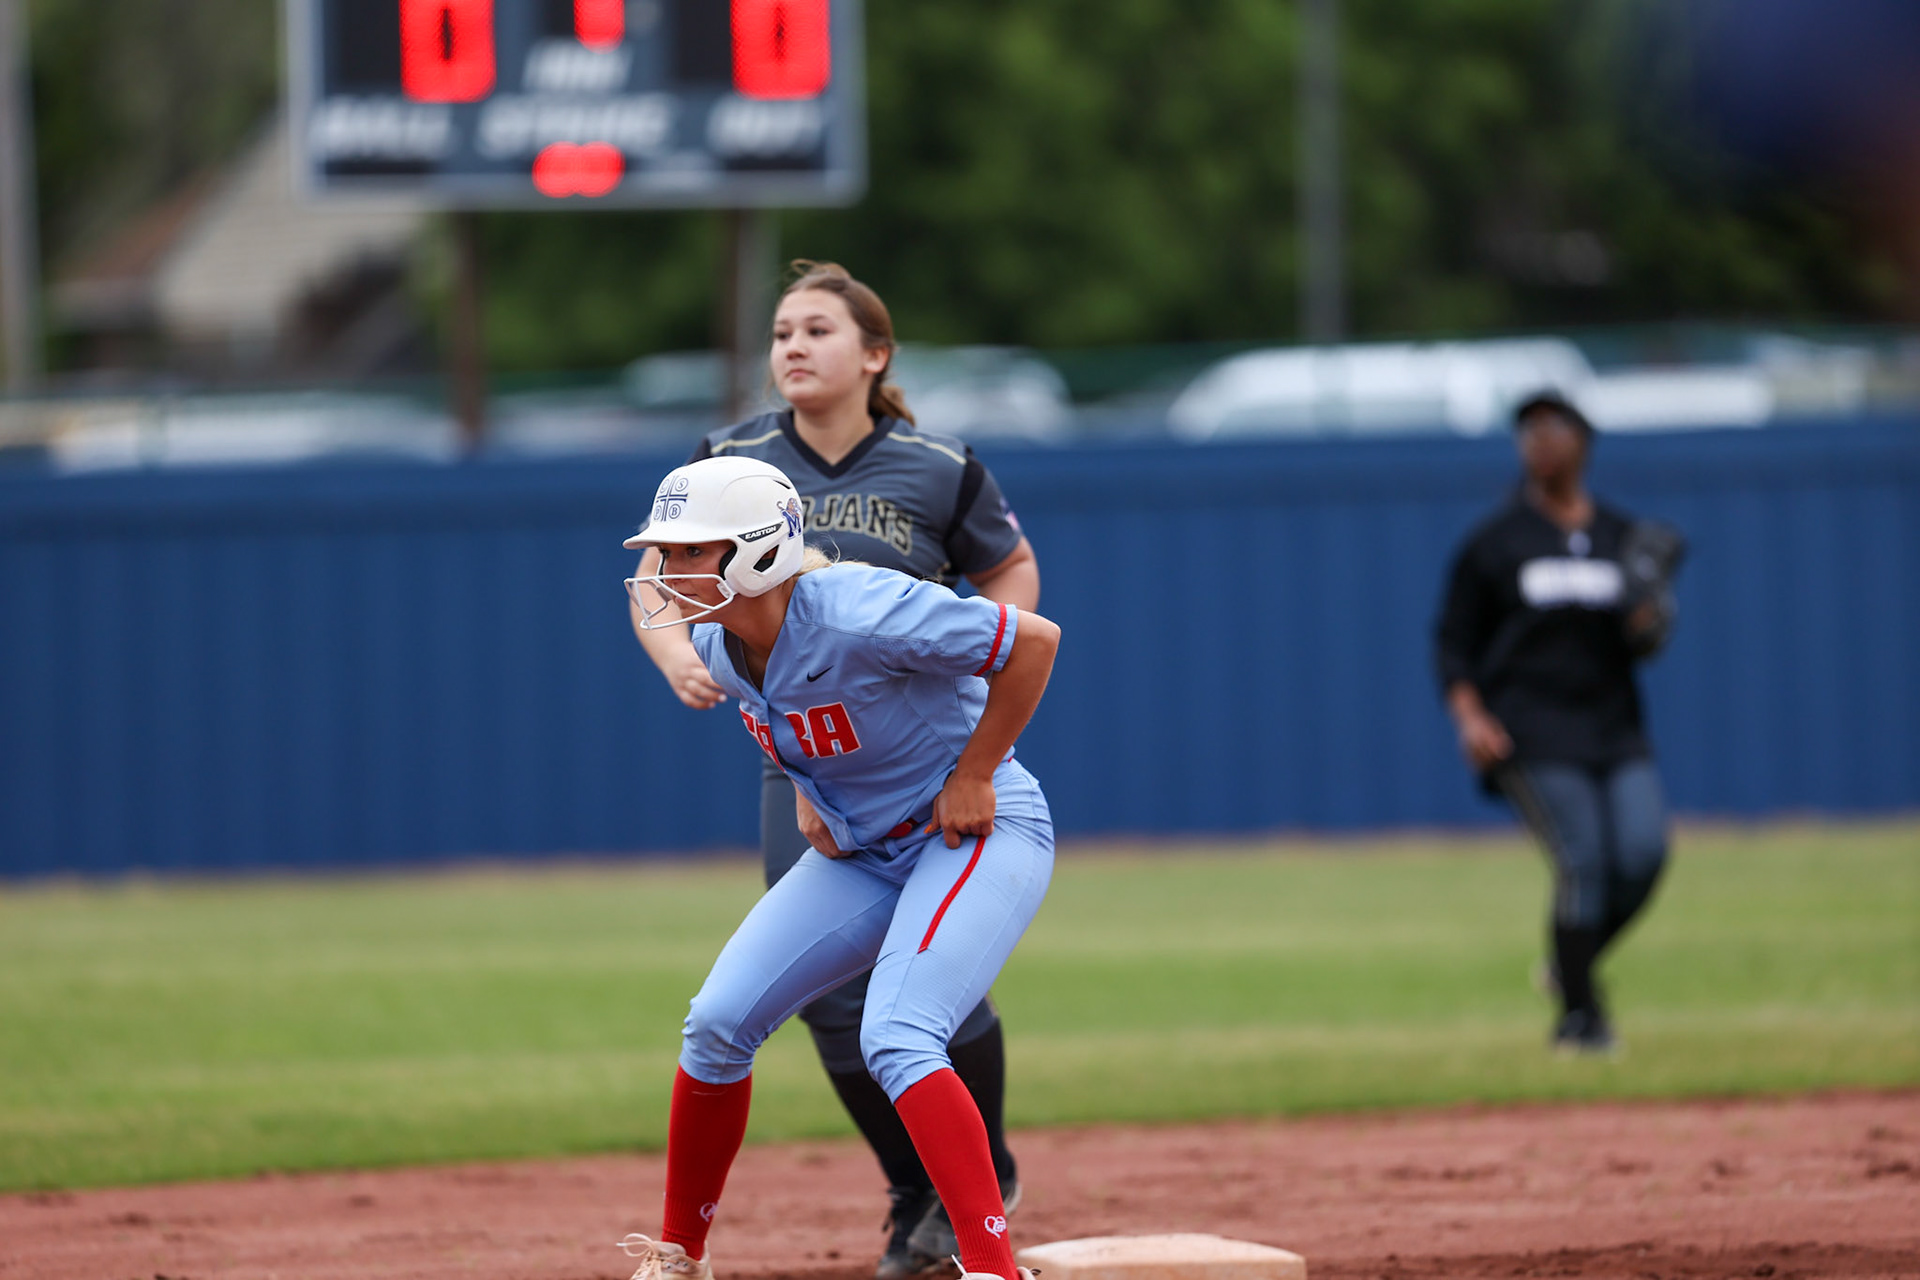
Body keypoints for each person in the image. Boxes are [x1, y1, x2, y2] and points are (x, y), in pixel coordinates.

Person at [629, 261, 1039, 1278]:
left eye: (690, 553)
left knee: (901, 1035)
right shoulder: (724, 641)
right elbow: (799, 722)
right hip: (862, 843)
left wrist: (979, 765)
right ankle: (680, 1256)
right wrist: (817, 796)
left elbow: (1033, 638)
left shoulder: (862, 602)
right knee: (717, 1023)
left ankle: (993, 1267)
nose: (668, 572)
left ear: (758, 554)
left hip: (967, 829)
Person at [1433, 392, 1683, 1056]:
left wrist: (1650, 618)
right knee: (1583, 859)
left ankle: (1570, 963)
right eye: (1529, 430)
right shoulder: (1497, 542)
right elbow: (1452, 643)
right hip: (1529, 729)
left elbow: (1646, 642)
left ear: (1584, 441)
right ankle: (1580, 1019)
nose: (1541, 441)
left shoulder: (1620, 539)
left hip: (1612, 727)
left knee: (1642, 853)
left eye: (1555, 427)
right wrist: (1469, 716)